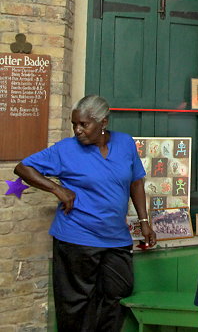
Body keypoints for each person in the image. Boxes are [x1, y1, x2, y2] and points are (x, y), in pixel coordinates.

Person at [13, 95, 156, 332]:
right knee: (76, 303)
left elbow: (136, 183)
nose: (77, 130)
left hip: (115, 238)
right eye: (74, 125)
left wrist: (144, 221)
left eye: (83, 124)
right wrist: (58, 189)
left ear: (103, 122)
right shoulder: (66, 149)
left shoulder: (125, 143)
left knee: (117, 292)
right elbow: (23, 168)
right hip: (76, 237)